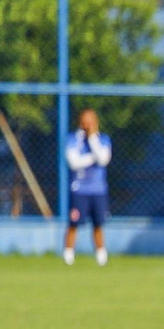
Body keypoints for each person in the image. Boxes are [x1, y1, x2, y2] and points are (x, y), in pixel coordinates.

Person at [63, 109, 112, 266]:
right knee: (74, 223)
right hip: (79, 190)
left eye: (90, 121)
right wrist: (93, 158)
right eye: (85, 121)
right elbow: (74, 163)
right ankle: (68, 254)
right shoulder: (73, 139)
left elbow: (104, 160)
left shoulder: (102, 140)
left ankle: (101, 256)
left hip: (98, 190)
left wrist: (92, 140)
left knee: (98, 224)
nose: (87, 125)